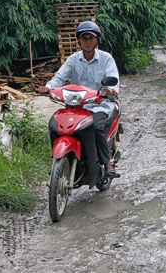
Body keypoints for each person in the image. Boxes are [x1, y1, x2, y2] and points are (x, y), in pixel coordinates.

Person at [38, 21, 120, 187]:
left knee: (96, 127)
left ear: (96, 40)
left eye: (91, 38)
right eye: (84, 38)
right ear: (79, 40)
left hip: (100, 104)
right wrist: (47, 87)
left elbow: (113, 80)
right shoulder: (73, 59)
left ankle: (107, 164)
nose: (88, 41)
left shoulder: (106, 59)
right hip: (77, 106)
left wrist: (111, 90)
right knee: (56, 124)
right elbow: (59, 78)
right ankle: (58, 162)